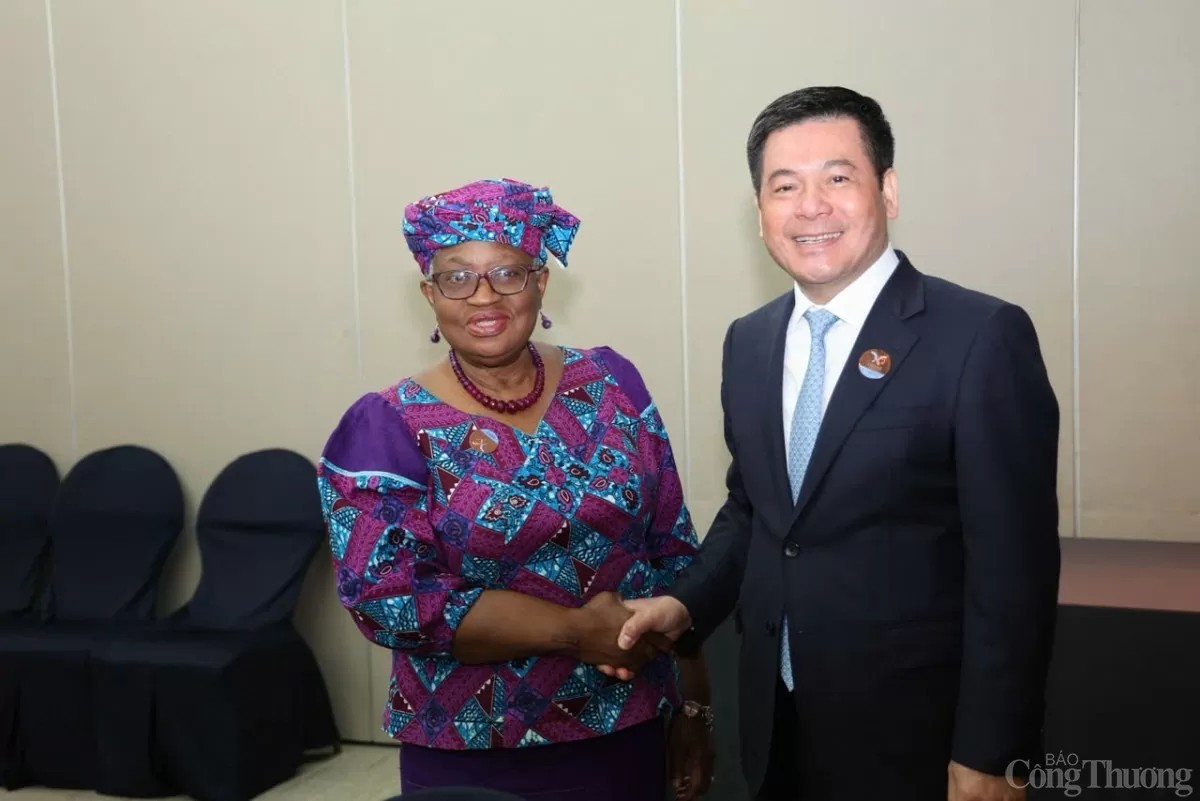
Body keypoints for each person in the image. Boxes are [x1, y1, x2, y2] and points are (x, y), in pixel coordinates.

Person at [611, 87, 1062, 800]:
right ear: (759, 213)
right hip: (775, 719)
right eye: (784, 186)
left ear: (887, 189)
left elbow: (1015, 570)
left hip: (920, 735)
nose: (810, 206)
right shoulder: (749, 342)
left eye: (838, 178)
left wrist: (993, 750)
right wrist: (686, 603)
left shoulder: (979, 337)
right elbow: (757, 508)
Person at [317, 178, 714, 801]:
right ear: (429, 293)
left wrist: (693, 708)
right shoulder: (385, 427)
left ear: (540, 282)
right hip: (475, 753)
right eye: (456, 276)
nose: (483, 296)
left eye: (507, 272)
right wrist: (574, 631)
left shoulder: (613, 383)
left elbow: (672, 552)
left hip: (630, 727)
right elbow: (389, 599)